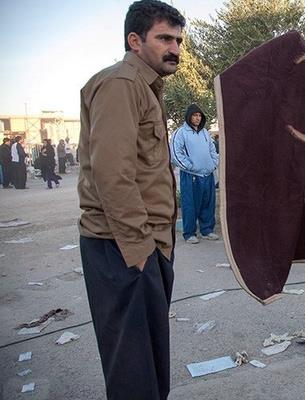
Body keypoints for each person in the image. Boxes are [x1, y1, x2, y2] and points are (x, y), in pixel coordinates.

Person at [76, 1, 184, 399]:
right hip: (123, 248)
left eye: (177, 40)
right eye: (164, 39)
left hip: (145, 245)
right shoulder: (121, 84)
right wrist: (140, 252)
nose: (174, 48)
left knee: (150, 365)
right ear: (134, 40)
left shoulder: (145, 87)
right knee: (133, 373)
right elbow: (113, 174)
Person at [171, 104, 220, 243]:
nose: (198, 118)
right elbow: (176, 153)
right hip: (191, 175)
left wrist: (213, 163)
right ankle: (189, 233)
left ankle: (207, 230)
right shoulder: (180, 133)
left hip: (207, 174)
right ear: (189, 116)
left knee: (208, 203)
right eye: (195, 115)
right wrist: (190, 166)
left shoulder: (205, 132)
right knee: (190, 204)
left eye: (199, 116)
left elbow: (212, 149)